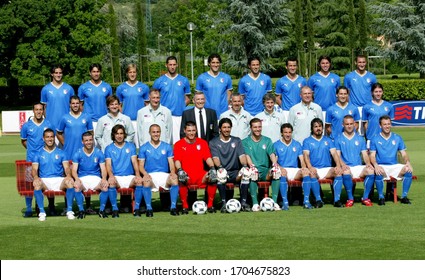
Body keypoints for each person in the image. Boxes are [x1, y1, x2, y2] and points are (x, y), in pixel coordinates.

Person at [174, 121, 217, 214]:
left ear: (196, 130)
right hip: (187, 176)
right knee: (181, 177)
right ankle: (185, 207)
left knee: (213, 176)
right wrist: (180, 170)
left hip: (200, 176)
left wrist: (212, 167)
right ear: (184, 131)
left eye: (193, 130)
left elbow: (208, 158)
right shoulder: (178, 144)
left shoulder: (202, 143)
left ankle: (210, 205)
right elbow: (177, 160)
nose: (191, 133)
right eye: (189, 130)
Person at [31, 129, 75, 221]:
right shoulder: (38, 154)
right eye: (47, 137)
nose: (50, 139)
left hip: (59, 180)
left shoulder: (61, 152)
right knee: (37, 184)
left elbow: (67, 167)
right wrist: (35, 177)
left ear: (54, 138)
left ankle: (69, 211)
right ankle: (42, 212)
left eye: (51, 136)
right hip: (45, 181)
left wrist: (68, 175)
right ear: (43, 138)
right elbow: (34, 169)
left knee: (70, 182)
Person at [369, 115, 414, 205]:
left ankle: (404, 197)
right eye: (384, 124)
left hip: (394, 165)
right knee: (378, 172)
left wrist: (408, 163)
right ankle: (381, 197)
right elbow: (372, 155)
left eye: (389, 124)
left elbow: (404, 154)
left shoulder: (397, 137)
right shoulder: (375, 138)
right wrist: (376, 165)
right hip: (382, 166)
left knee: (408, 171)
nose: (387, 126)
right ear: (380, 126)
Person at [209, 118, 250, 212]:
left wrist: (244, 166)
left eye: (228, 127)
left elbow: (242, 156)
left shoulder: (237, 140)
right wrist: (219, 168)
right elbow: (215, 158)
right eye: (224, 127)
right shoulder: (213, 142)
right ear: (220, 128)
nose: (226, 129)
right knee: (220, 174)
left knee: (246, 173)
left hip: (235, 172)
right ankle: (223, 203)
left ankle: (243, 202)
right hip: (223, 171)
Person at [138, 124, 180, 216]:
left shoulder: (167, 146)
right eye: (153, 132)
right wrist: (145, 174)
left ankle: (173, 207)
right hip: (151, 175)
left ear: (160, 133)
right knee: (146, 181)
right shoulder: (144, 147)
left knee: (174, 179)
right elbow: (140, 166)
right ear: (149, 133)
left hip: (164, 175)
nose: (156, 134)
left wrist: (172, 172)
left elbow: (171, 163)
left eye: (158, 132)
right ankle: (149, 209)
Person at [335, 115, 375, 207]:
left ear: (354, 124)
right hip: (347, 167)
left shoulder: (360, 138)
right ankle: (350, 198)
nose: (349, 126)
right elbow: (337, 155)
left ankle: (365, 198)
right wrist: (343, 164)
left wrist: (368, 163)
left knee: (370, 170)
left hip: (358, 166)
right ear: (343, 125)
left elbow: (364, 154)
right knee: (346, 171)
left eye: (351, 124)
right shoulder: (338, 138)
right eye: (347, 124)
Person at [20, 103, 53, 217]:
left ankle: (49, 206)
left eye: (41, 110)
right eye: (36, 110)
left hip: (45, 160)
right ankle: (29, 208)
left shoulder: (48, 124)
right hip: (31, 160)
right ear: (33, 111)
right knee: (29, 184)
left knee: (48, 182)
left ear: (43, 111)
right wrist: (32, 152)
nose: (38, 112)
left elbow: (51, 139)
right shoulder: (26, 126)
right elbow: (24, 141)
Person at [104, 124, 144, 218]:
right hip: (117, 177)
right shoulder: (109, 148)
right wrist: (111, 176)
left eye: (121, 133)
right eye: (117, 133)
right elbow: (108, 165)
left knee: (139, 182)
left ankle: (137, 209)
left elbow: (134, 162)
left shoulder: (131, 146)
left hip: (129, 176)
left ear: (124, 134)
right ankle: (115, 209)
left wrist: (137, 175)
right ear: (113, 135)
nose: (119, 136)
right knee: (112, 183)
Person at [303, 118, 343, 208]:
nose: (318, 128)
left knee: (338, 172)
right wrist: (310, 167)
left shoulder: (328, 140)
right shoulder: (307, 141)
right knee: (312, 174)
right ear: (312, 128)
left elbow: (334, 154)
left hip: (327, 169)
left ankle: (337, 200)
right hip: (315, 169)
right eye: (316, 127)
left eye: (320, 126)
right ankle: (318, 200)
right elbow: (306, 155)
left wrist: (338, 165)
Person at [153, 56, 191, 144]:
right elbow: (153, 98)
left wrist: (180, 106)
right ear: (166, 65)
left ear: (177, 65)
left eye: (174, 64)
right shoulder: (159, 81)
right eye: (170, 64)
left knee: (178, 142)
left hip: (179, 116)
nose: (172, 67)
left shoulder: (184, 80)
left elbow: (188, 98)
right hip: (163, 116)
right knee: (163, 141)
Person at [242, 118, 277, 212]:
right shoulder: (245, 141)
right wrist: (252, 167)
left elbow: (272, 154)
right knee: (252, 173)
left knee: (276, 172)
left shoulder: (267, 140)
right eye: (255, 127)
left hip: (265, 171)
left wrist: (274, 164)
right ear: (251, 128)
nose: (258, 129)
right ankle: (255, 203)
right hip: (255, 169)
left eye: (259, 127)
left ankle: (274, 203)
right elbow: (247, 155)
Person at [273, 123, 310, 210]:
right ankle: (285, 202)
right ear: (281, 133)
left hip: (294, 170)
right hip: (282, 169)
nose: (288, 134)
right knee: (282, 173)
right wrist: (281, 168)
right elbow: (275, 161)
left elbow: (301, 160)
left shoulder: (297, 144)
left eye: (289, 132)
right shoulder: (276, 145)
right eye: (285, 132)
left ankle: (306, 201)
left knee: (306, 172)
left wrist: (304, 167)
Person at [71, 132, 109, 218]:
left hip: (95, 178)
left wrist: (103, 178)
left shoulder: (99, 152)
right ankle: (81, 210)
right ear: (82, 142)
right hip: (82, 178)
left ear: (93, 140)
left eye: (90, 140)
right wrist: (76, 178)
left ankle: (102, 211)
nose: (88, 142)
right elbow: (73, 170)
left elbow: (103, 169)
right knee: (77, 186)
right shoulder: (78, 153)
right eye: (86, 140)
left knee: (105, 186)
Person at [343, 54, 377, 133]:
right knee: (353, 131)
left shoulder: (372, 77)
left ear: (366, 63)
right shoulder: (349, 76)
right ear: (355, 63)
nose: (362, 64)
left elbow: (375, 92)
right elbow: (346, 93)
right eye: (359, 62)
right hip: (354, 107)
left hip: (368, 107)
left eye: (363, 62)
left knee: (368, 131)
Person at [40, 64, 75, 132]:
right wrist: (48, 121)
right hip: (51, 126)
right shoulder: (45, 89)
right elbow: (43, 108)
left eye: (60, 73)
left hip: (66, 125)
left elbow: (74, 107)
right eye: (56, 73)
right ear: (52, 74)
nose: (58, 75)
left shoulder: (69, 88)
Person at [57, 95, 93, 160]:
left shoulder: (86, 117)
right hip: (69, 150)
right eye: (73, 103)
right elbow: (58, 133)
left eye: (77, 103)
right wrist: (65, 144)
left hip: (83, 150)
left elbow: (91, 132)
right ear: (70, 104)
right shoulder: (64, 118)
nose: (75, 105)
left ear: (80, 104)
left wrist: (88, 143)